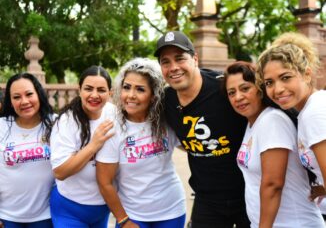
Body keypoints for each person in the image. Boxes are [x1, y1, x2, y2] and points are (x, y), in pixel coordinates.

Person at [154, 31, 250, 228]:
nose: (174, 67)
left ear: (195, 59)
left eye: (180, 58)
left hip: (247, 195)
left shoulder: (225, 88)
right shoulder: (165, 100)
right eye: (166, 62)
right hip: (207, 200)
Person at [224, 61, 324, 227]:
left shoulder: (272, 121)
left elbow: (273, 184)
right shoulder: (252, 124)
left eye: (245, 88)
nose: (238, 97)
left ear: (260, 89)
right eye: (231, 92)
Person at [96, 58, 186, 228]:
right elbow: (104, 182)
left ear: (153, 96)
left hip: (172, 210)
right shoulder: (113, 129)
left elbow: (192, 147)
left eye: (140, 89)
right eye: (126, 87)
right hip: (132, 215)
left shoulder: (166, 122)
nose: (131, 95)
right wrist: (123, 220)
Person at [257, 32, 326, 219]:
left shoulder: (314, 113)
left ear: (307, 74)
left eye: (286, 77)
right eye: (269, 82)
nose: (277, 89)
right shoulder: (309, 110)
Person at [50, 66, 115, 228]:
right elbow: (60, 172)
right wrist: (93, 145)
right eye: (88, 89)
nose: (94, 95)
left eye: (101, 90)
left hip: (102, 207)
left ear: (110, 93)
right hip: (70, 208)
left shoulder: (114, 114)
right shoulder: (66, 121)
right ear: (79, 90)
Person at [0, 73, 54, 228]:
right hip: (7, 217)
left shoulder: (55, 124)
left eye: (29, 94)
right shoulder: (2, 126)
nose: (24, 101)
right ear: (10, 101)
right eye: (16, 97)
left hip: (45, 216)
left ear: (39, 94)